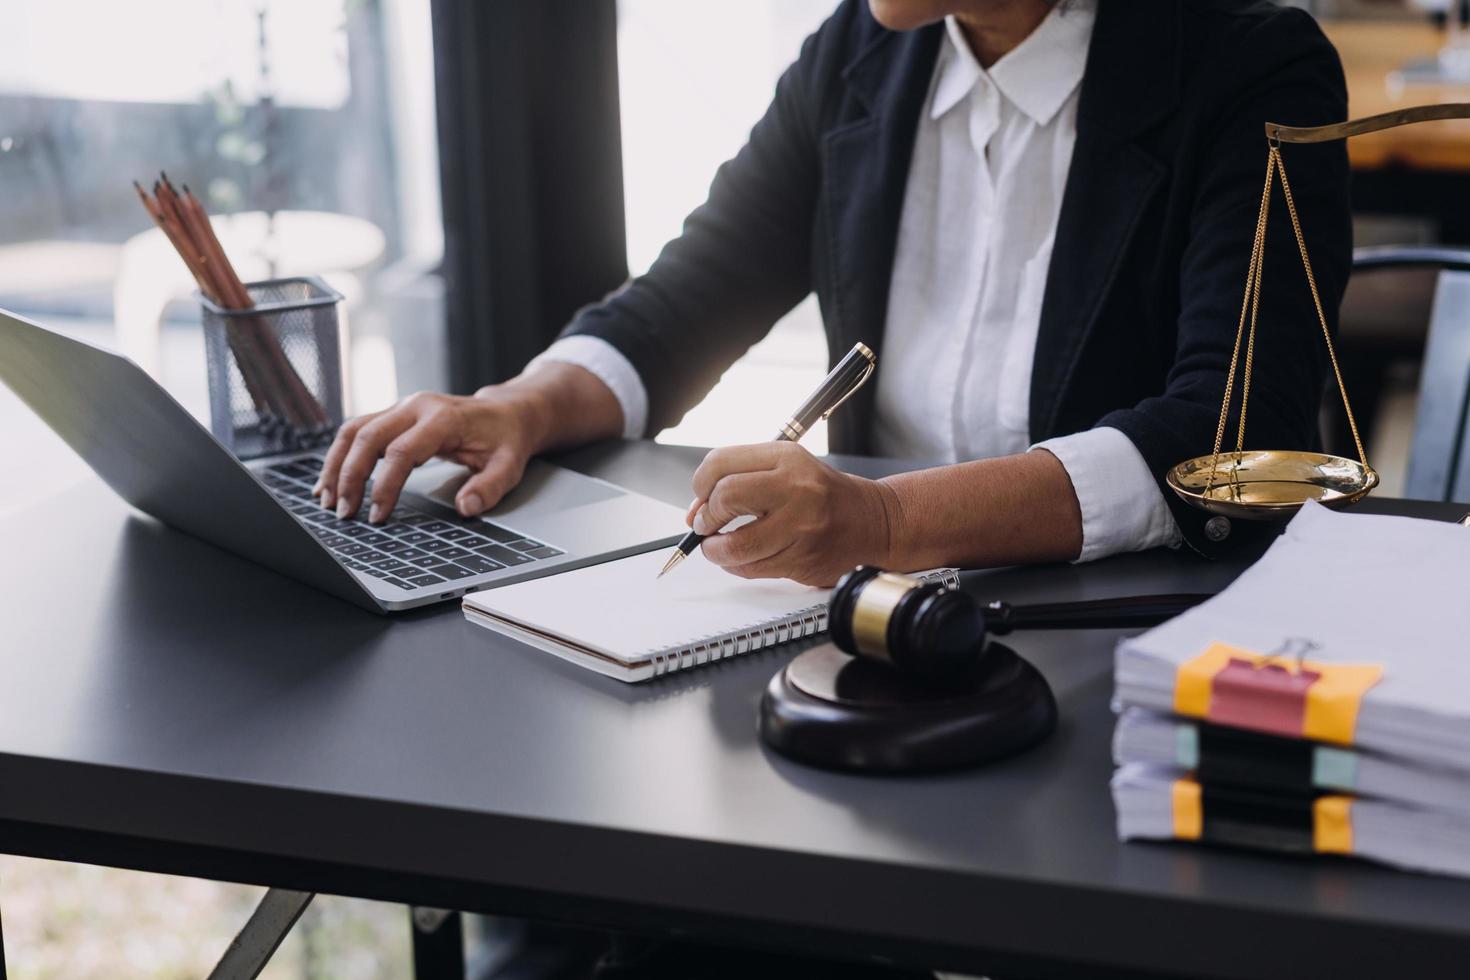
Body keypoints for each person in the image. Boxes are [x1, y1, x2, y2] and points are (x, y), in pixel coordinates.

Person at [316, 0, 1350, 587]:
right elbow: (685, 303)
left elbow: (1237, 437)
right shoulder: (860, 56)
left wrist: (885, 523)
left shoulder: (1250, 66)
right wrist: (522, 406)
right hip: (872, 626)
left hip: (1117, 622)